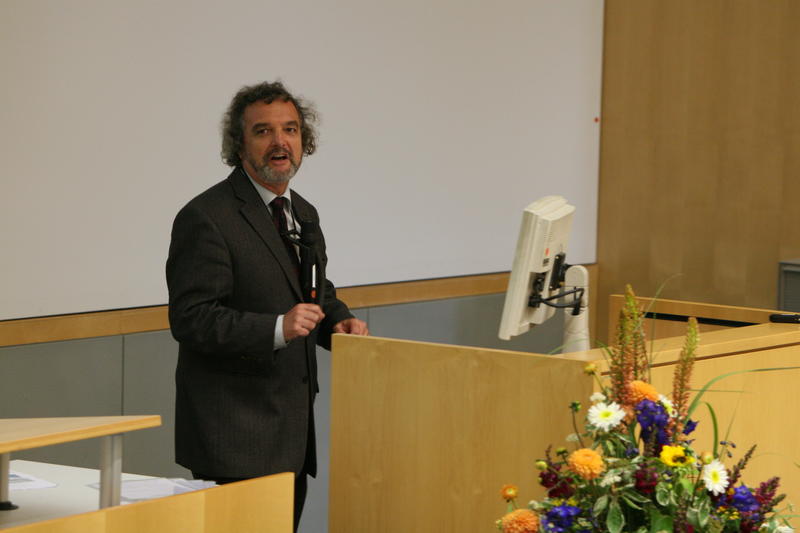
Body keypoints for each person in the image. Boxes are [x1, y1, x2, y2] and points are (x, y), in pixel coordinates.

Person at [166, 80, 368, 531]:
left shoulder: (303, 212)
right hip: (234, 437)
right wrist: (277, 328)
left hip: (291, 436)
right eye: (263, 131)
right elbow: (191, 318)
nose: (280, 142)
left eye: (290, 129)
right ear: (239, 145)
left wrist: (338, 321)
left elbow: (311, 290)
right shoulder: (206, 217)